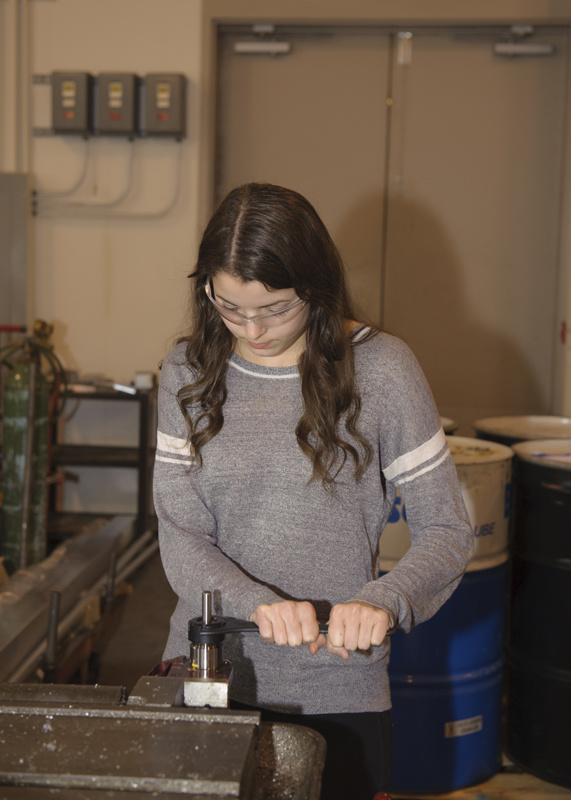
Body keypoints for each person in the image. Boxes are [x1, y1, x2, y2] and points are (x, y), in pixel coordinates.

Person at [153, 183, 473, 800]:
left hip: (337, 687)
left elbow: (447, 532)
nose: (252, 328)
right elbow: (181, 534)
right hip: (206, 671)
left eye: (274, 307)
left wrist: (384, 602)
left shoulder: (382, 369)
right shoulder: (186, 374)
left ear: (316, 287)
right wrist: (256, 602)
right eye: (229, 306)